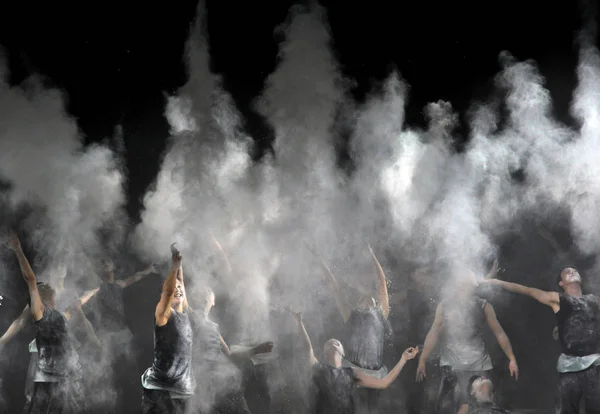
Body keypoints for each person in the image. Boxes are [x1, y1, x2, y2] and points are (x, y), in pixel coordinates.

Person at [480, 266, 600, 414]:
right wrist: (496, 282)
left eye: (575, 270)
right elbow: (528, 290)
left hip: (594, 364)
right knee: (567, 410)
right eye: (567, 271)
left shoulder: (594, 300)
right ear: (561, 283)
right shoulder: (558, 299)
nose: (572, 271)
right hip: (570, 367)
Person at [416, 264, 519, 414]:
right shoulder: (445, 305)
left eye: (468, 284)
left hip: (479, 365)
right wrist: (423, 359)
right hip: (452, 365)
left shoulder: (484, 305)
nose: (465, 287)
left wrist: (512, 358)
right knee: (448, 407)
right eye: (462, 283)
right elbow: (434, 332)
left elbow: (499, 333)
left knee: (483, 407)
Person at [3, 231, 86, 413]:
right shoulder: (40, 306)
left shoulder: (59, 310)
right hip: (47, 365)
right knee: (37, 401)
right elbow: (30, 281)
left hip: (64, 369)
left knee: (64, 404)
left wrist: (92, 293)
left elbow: (70, 312)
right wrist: (18, 249)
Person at [307, 242, 391, 413]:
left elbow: (382, 283)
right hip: (352, 374)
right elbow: (335, 288)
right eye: (362, 299)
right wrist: (319, 260)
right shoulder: (351, 315)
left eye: (370, 299)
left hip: (375, 374)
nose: (366, 299)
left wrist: (372, 255)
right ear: (357, 305)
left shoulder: (381, 314)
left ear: (376, 304)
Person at [285, 306, 418, 414]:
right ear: (324, 353)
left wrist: (403, 359)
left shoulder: (351, 373)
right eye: (329, 342)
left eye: (337, 342)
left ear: (343, 353)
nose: (333, 342)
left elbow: (384, 383)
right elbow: (307, 348)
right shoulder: (319, 369)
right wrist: (299, 322)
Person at [190, 285, 274, 414]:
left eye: (208, 292)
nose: (205, 294)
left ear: (213, 302)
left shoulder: (214, 327)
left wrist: (257, 350)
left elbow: (230, 354)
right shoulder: (188, 318)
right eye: (201, 293)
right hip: (205, 387)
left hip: (227, 385)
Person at [140, 244, 195, 413]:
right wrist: (174, 267)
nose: (178, 289)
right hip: (161, 390)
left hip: (181, 391)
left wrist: (180, 268)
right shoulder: (163, 313)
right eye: (174, 288)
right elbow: (169, 291)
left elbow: (180, 286)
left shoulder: (185, 313)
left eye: (180, 288)